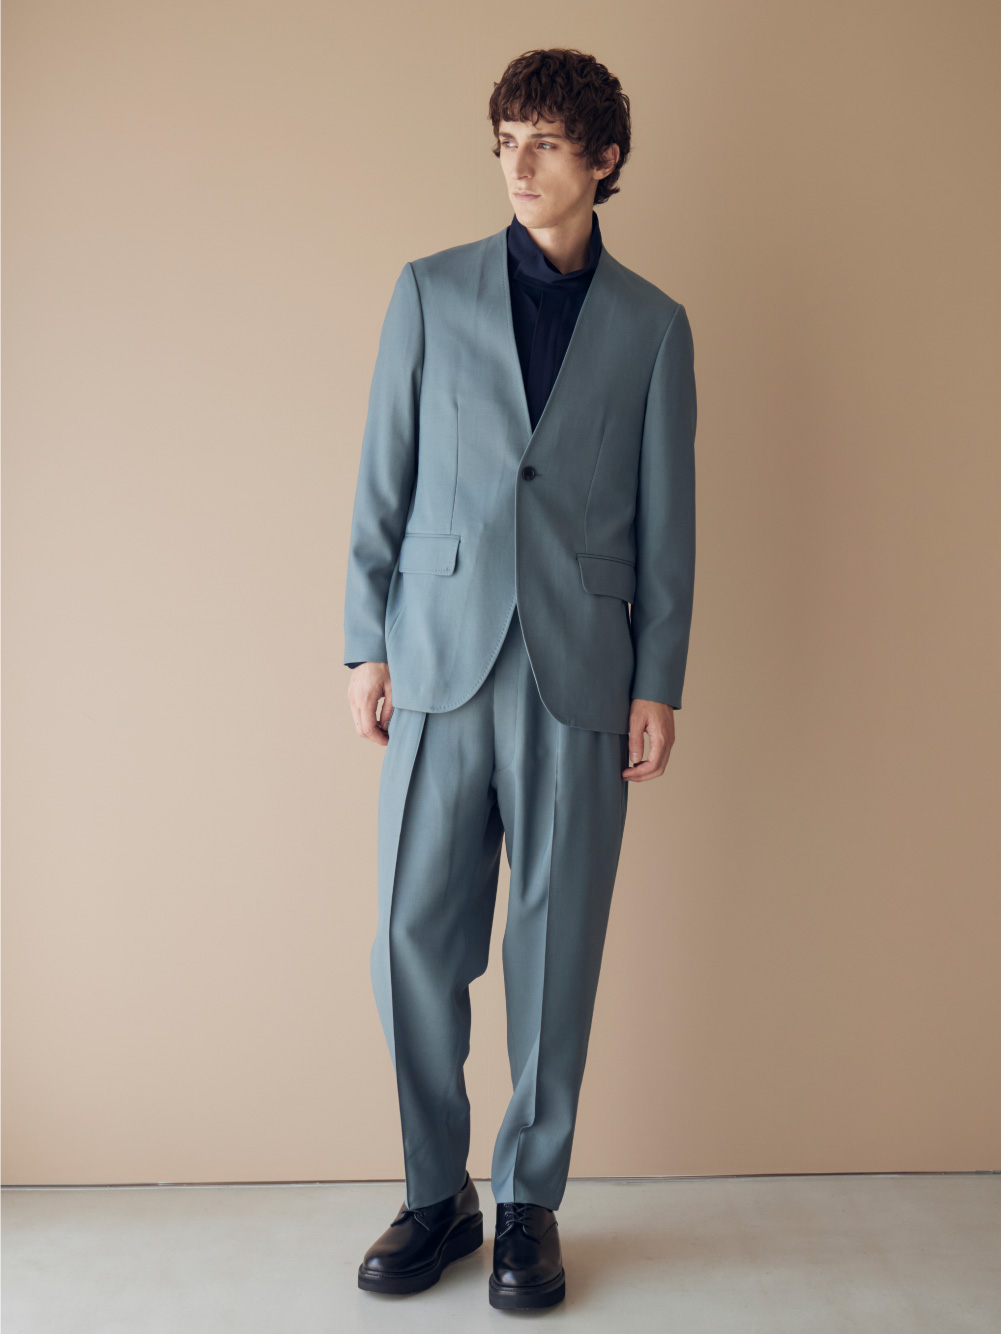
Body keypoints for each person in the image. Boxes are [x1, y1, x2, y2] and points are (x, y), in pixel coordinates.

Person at [344, 46, 697, 1310]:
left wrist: (658, 676)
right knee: (410, 937)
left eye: (543, 142)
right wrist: (365, 641)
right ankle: (432, 1193)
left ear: (603, 159)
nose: (518, 164)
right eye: (505, 141)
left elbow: (668, 517)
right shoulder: (428, 291)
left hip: (579, 671)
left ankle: (528, 1204)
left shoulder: (652, 326)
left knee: (555, 949)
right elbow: (381, 477)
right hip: (438, 659)